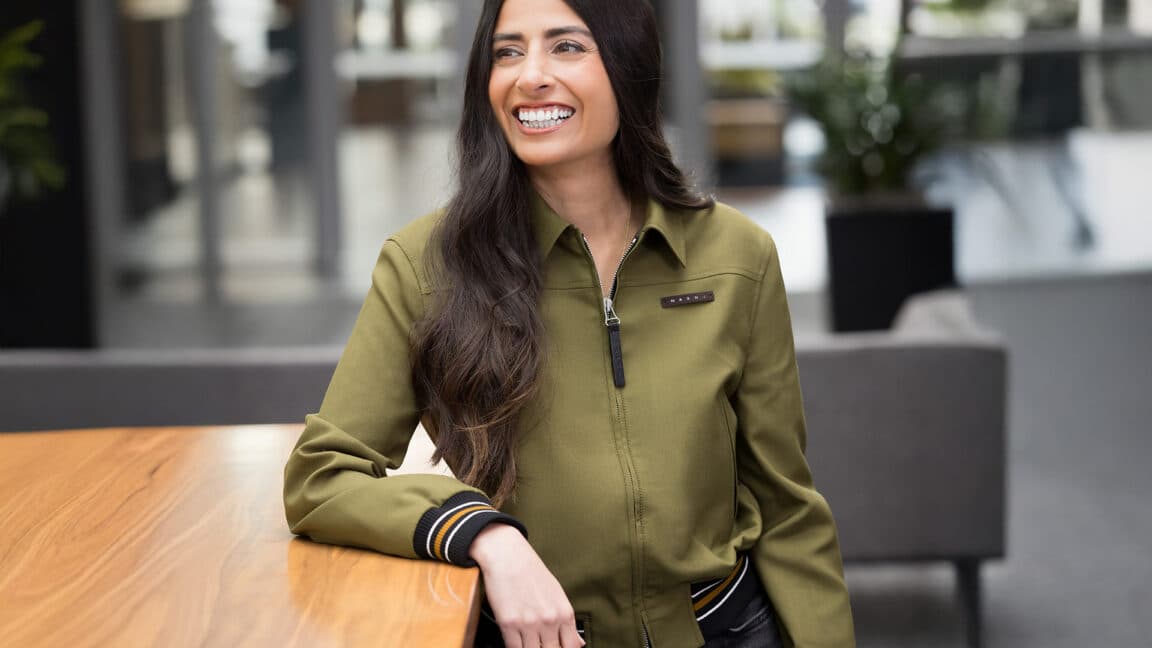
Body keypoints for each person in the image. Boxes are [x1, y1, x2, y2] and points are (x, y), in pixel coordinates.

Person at [283, 0, 856, 646]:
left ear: (627, 64)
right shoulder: (425, 267)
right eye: (507, 51)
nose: (529, 75)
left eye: (566, 46)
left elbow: (786, 507)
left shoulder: (736, 257)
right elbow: (323, 476)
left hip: (722, 627)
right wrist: (482, 533)